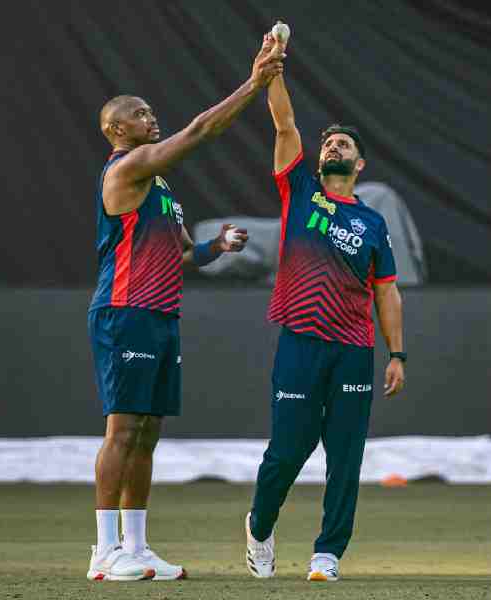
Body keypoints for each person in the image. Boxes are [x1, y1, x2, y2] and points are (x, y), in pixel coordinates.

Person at [85, 38, 285, 582]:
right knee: (122, 429)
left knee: (148, 432)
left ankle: (137, 547)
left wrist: (218, 246)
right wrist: (255, 84)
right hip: (123, 311)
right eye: (139, 113)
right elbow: (200, 131)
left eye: (151, 111)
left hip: (160, 316)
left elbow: (184, 255)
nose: (151, 118)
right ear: (116, 128)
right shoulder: (126, 169)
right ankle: (104, 552)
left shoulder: (160, 187)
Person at [244, 27, 407, 583]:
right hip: (300, 343)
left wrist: (397, 354)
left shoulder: (373, 222)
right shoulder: (299, 191)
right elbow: (284, 124)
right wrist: (274, 67)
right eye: (329, 143)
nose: (334, 146)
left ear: (360, 164)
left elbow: (386, 289)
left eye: (344, 145)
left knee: (345, 455)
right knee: (287, 452)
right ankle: (260, 526)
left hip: (354, 350)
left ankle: (327, 553)